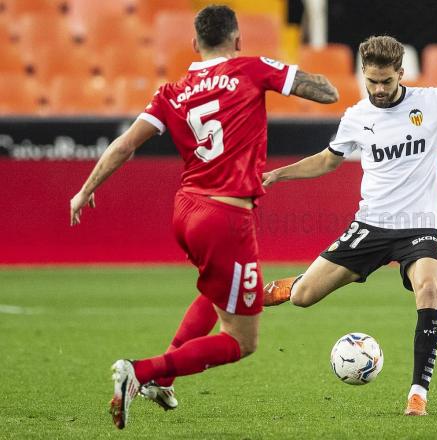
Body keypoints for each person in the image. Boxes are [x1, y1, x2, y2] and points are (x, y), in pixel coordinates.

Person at [69, 5, 338, 430]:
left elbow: (124, 145)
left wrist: (86, 189)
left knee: (216, 293)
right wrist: (282, 70)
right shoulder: (250, 68)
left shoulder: (172, 91)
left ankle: (163, 378)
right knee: (242, 340)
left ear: (194, 44)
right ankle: (139, 371)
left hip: (186, 210)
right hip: (226, 216)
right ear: (237, 41)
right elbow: (326, 93)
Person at [261, 35, 437, 416]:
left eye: (386, 81)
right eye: (371, 81)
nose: (378, 89)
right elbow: (328, 160)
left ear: (401, 74)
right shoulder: (357, 116)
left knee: (429, 288)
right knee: (304, 296)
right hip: (371, 226)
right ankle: (288, 285)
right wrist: (277, 175)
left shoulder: (431, 102)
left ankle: (417, 394)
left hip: (421, 226)